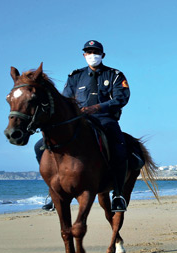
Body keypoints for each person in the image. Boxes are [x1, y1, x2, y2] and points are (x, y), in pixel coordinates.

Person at [35, 40, 131, 212]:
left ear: (102, 55)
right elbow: (66, 99)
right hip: (79, 119)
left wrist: (97, 107)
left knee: (119, 147)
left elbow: (121, 98)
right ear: (84, 55)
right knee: (39, 146)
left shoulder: (115, 75)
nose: (92, 55)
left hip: (105, 119)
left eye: (95, 52)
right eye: (89, 52)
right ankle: (53, 190)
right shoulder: (75, 76)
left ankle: (117, 194)